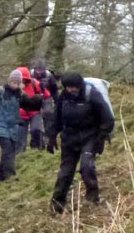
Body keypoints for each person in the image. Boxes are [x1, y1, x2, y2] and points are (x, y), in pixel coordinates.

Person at [47, 72, 114, 214]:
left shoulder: (92, 94)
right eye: (69, 87)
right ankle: (57, 204)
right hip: (69, 138)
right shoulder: (63, 97)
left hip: (90, 136)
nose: (72, 90)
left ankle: (93, 198)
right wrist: (52, 136)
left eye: (74, 87)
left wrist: (100, 139)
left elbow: (107, 118)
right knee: (65, 172)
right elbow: (56, 118)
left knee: (86, 167)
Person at [15, 67, 51, 154]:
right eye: (21, 80)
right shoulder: (13, 87)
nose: (23, 82)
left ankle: (38, 150)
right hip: (20, 115)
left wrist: (45, 107)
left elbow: (47, 95)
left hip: (35, 112)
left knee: (36, 130)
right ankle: (20, 155)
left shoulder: (35, 84)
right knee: (20, 137)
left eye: (25, 80)